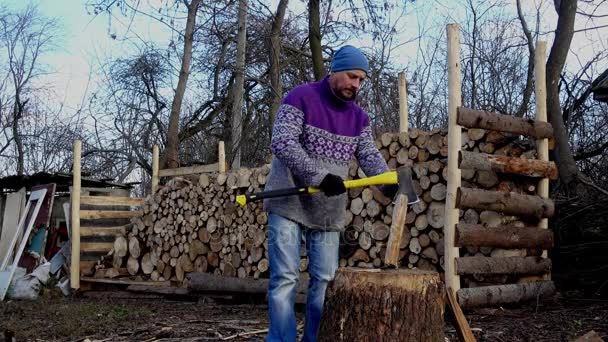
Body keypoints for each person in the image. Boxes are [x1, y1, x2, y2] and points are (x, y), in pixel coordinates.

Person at [264, 45, 397, 341]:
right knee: (285, 279)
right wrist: (319, 175)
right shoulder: (300, 97)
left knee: (324, 281)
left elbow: (368, 154)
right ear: (335, 70)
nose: (356, 85)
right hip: (288, 202)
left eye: (361, 80)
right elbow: (283, 142)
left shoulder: (359, 118)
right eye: (352, 76)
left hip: (328, 210)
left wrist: (386, 179)